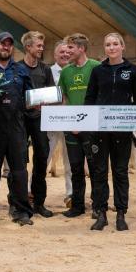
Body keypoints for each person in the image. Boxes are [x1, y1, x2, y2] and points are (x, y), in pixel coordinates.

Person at [85, 33, 136, 231]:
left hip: (122, 130)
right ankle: (101, 213)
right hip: (100, 130)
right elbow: (90, 99)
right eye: (108, 44)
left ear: (122, 47)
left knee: (120, 172)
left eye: (115, 44)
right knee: (100, 172)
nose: (112, 47)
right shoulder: (97, 71)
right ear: (105, 48)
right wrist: (88, 123)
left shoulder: (133, 70)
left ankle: (121, 214)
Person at [0, 32, 34, 226]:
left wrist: (39, 102)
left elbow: (30, 98)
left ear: (13, 48)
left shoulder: (20, 70)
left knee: (19, 172)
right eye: (3, 44)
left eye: (10, 45)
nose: (6, 47)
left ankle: (22, 211)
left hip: (17, 128)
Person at [59, 33, 100, 219]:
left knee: (95, 168)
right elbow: (63, 98)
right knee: (75, 168)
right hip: (71, 128)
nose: (67, 52)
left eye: (71, 48)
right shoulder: (66, 71)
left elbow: (101, 96)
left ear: (81, 49)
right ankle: (77, 206)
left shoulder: (96, 67)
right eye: (66, 48)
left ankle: (98, 205)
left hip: (92, 127)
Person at [18, 31, 55, 217]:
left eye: (42, 45)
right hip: (21, 120)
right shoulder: (16, 68)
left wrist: (46, 103)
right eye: (38, 45)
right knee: (19, 161)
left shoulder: (45, 69)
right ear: (28, 47)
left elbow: (52, 94)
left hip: (40, 119)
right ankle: (18, 202)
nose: (41, 48)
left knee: (41, 158)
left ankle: (39, 203)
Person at [46, 41, 72, 207]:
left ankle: (71, 194)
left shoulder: (73, 72)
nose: (64, 54)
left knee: (70, 161)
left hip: (71, 121)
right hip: (52, 120)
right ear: (55, 55)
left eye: (67, 52)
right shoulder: (49, 72)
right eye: (61, 52)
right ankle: (32, 192)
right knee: (44, 157)